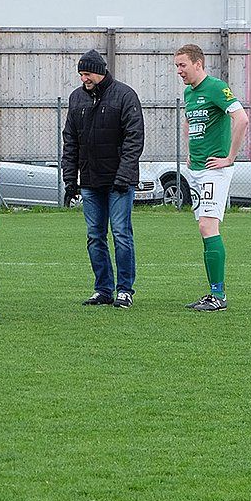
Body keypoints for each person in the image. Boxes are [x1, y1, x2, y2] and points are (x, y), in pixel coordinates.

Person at [61, 49, 145, 308]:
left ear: (99, 71)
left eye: (86, 73)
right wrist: (70, 180)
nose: (83, 78)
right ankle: (103, 289)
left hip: (119, 182)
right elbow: (70, 141)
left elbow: (134, 138)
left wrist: (124, 175)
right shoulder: (77, 99)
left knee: (121, 234)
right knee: (95, 236)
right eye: (81, 74)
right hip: (89, 181)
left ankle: (125, 290)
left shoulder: (125, 95)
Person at [175, 43, 249, 312]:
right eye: (177, 66)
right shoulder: (189, 93)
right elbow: (189, 123)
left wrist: (230, 157)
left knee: (208, 226)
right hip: (196, 169)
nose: (179, 71)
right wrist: (188, 152)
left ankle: (218, 296)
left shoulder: (217, 88)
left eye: (183, 65)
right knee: (203, 228)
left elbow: (241, 119)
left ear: (198, 63)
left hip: (214, 170)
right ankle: (213, 293)